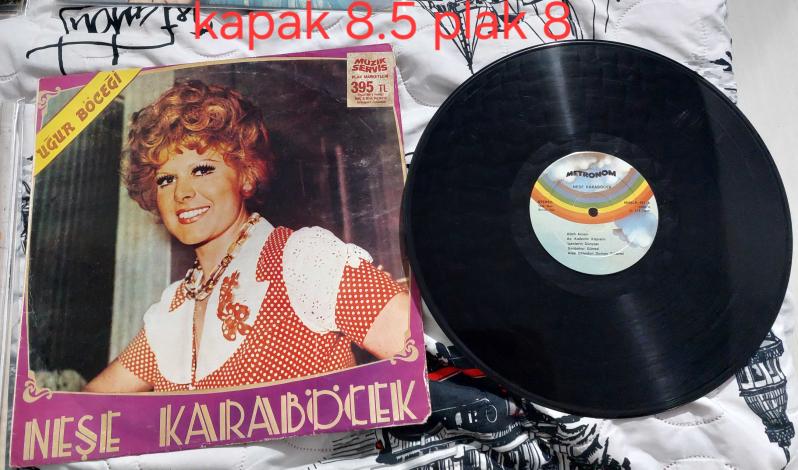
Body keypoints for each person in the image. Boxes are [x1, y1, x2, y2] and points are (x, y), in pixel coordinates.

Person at [84, 79, 410, 393]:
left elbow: (422, 353)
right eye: (166, 180)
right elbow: (89, 401)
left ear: (247, 174)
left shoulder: (301, 261)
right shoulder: (174, 307)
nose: (181, 193)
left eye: (202, 170)